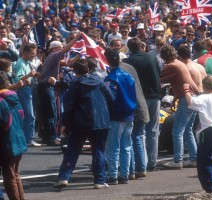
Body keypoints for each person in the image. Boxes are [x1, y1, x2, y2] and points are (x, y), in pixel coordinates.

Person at [54, 59, 114, 189]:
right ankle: (99, 180)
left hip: (80, 122)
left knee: (72, 150)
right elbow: (110, 98)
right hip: (100, 121)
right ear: (88, 69)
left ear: (75, 72)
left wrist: (64, 123)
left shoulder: (75, 85)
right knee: (98, 151)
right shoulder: (99, 82)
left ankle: (64, 177)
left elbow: (68, 106)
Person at [123, 38, 161, 171]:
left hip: (140, 99)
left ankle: (141, 163)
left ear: (130, 49)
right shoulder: (152, 58)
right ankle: (151, 162)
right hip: (155, 97)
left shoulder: (128, 62)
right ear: (141, 47)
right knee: (153, 131)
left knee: (139, 131)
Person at [37, 33, 81, 146]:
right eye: (60, 48)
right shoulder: (53, 55)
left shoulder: (52, 58)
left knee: (49, 112)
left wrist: (79, 55)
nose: (62, 50)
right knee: (52, 113)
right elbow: (66, 49)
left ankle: (47, 137)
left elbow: (67, 63)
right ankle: (51, 138)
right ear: (54, 48)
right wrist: (76, 38)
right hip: (46, 86)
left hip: (45, 86)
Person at [160, 45, 199, 169]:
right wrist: (175, 100)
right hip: (193, 97)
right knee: (188, 130)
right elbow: (181, 82)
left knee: (177, 131)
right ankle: (194, 158)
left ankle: (178, 160)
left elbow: (157, 78)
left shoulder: (171, 66)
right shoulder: (180, 63)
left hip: (186, 99)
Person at [104, 48, 137, 185]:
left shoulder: (111, 78)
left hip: (117, 115)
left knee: (114, 146)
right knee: (126, 146)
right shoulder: (128, 75)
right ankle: (124, 174)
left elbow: (110, 97)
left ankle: (113, 175)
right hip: (129, 114)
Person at [0, 71, 27, 200]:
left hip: (7, 142)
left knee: (9, 176)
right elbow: (22, 116)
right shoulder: (14, 98)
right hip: (18, 139)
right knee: (15, 174)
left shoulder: (1, 101)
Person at [13, 43, 41, 147]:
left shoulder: (26, 62)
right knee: (29, 115)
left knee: (29, 115)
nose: (34, 55)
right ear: (25, 52)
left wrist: (33, 76)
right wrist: (29, 75)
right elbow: (17, 80)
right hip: (23, 90)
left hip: (27, 90)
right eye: (32, 53)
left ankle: (27, 138)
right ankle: (29, 139)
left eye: (35, 53)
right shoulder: (20, 63)